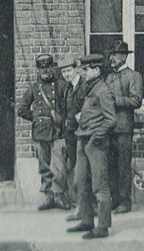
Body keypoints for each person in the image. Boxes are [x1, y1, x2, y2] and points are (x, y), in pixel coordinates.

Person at [68, 54, 117, 240]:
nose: (83, 72)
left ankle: (102, 226)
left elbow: (111, 120)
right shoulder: (92, 88)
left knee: (99, 185)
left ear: (96, 70)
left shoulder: (103, 90)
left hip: (95, 143)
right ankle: (87, 220)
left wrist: (97, 136)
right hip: (83, 140)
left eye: (86, 69)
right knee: (80, 181)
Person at [18, 53, 68, 211]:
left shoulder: (61, 85)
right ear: (38, 70)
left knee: (59, 166)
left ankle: (59, 196)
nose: (45, 70)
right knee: (44, 166)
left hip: (57, 131)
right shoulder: (34, 88)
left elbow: (69, 107)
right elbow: (21, 109)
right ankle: (49, 197)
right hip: (40, 132)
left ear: (53, 67)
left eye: (48, 67)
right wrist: (36, 118)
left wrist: (61, 119)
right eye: (42, 68)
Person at [104, 41, 143, 215]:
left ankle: (125, 201)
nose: (111, 58)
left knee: (123, 166)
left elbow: (136, 101)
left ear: (124, 56)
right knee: (110, 166)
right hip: (109, 128)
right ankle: (114, 200)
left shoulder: (134, 76)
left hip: (124, 128)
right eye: (111, 54)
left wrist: (115, 100)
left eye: (115, 54)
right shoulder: (109, 77)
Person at [55, 53, 84, 210]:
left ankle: (84, 202)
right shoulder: (66, 88)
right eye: (64, 72)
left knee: (82, 167)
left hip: (82, 133)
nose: (66, 75)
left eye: (69, 71)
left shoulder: (84, 86)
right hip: (69, 133)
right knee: (73, 164)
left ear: (76, 69)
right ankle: (77, 200)